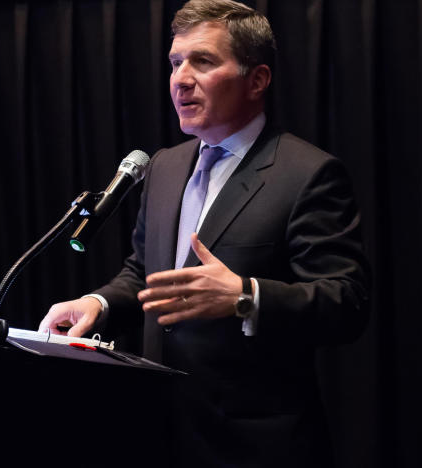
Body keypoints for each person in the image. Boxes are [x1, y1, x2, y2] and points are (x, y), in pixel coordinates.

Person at [39, 0, 370, 466]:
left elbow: (347, 302)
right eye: (175, 63)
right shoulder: (165, 166)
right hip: (162, 431)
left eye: (204, 61)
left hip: (256, 446)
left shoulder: (307, 174)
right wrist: (98, 303)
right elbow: (146, 273)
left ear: (257, 80)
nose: (181, 78)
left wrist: (246, 296)